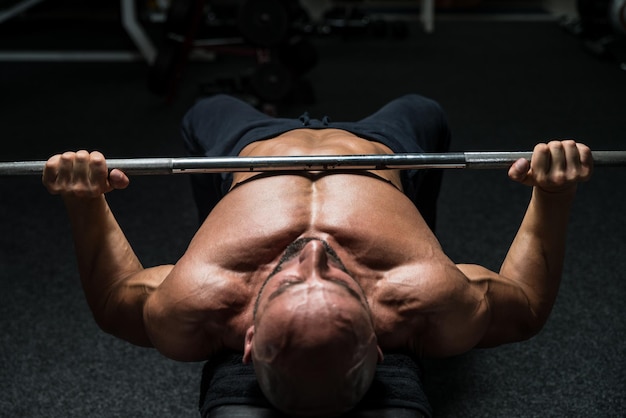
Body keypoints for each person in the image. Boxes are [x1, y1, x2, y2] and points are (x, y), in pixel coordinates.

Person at [42, 94, 593, 418]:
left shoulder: (199, 303)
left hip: (251, 145)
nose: (314, 254)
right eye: (341, 281)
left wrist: (83, 202)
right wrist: (555, 193)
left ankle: (217, 204)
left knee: (206, 107)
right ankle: (412, 211)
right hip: (384, 148)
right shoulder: (424, 297)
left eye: (284, 284)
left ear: (249, 337)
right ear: (378, 341)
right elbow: (524, 304)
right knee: (424, 108)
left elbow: (116, 300)